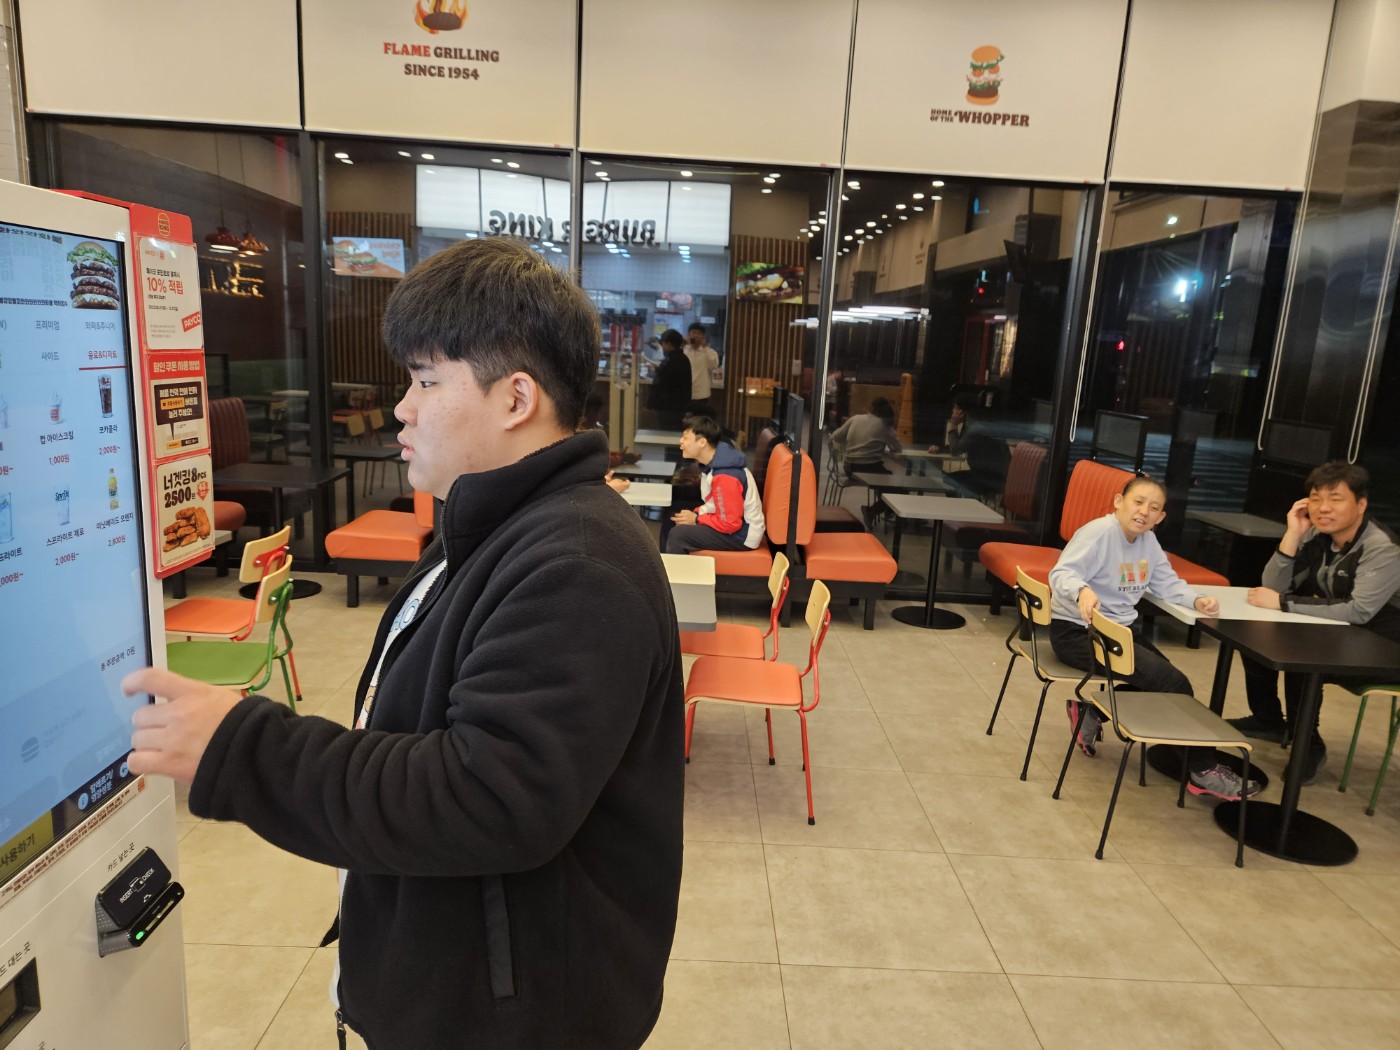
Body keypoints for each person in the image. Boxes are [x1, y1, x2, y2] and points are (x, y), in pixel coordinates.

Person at [122, 239, 684, 1050]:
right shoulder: (490, 526)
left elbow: (487, 797)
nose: (402, 409)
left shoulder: (578, 566)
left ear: (516, 397)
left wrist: (240, 749)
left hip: (514, 1020)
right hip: (453, 979)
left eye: (426, 381)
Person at [1050, 474, 1259, 801]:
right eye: (1138, 502)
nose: (1144, 511)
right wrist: (1082, 591)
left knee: (1163, 680)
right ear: (1119, 502)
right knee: (1174, 684)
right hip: (1078, 632)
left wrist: (1195, 600)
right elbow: (1061, 573)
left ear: (1160, 517)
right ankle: (1203, 771)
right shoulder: (1098, 533)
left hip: (1118, 633)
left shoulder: (1148, 541)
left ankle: (1091, 713)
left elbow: (1166, 582)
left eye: (1154, 507)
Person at [1231, 461, 1400, 783]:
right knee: (1254, 634)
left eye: (1335, 499)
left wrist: (1283, 603)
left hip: (1388, 649)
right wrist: (1293, 534)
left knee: (1303, 660)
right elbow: (1272, 586)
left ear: (1361, 505)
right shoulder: (1316, 535)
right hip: (1349, 637)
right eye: (1315, 498)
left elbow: (1358, 611)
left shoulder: (1382, 548)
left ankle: (1308, 745)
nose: (1323, 508)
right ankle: (1268, 719)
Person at [663, 414, 765, 555]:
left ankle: (676, 570)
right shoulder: (715, 464)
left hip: (742, 535)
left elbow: (730, 524)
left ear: (702, 442)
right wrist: (696, 514)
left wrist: (697, 519)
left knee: (678, 535)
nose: (681, 441)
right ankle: (663, 567)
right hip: (733, 526)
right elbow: (715, 505)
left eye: (685, 438)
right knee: (672, 518)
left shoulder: (725, 476)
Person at [830, 396, 902, 474]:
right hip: (869, 468)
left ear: (871, 408)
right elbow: (897, 448)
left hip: (848, 467)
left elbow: (835, 436)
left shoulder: (855, 418)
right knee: (890, 477)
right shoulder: (885, 425)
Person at [647, 327, 692, 429]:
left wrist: (652, 402)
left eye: (663, 343)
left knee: (667, 431)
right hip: (680, 406)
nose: (662, 346)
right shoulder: (684, 359)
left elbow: (662, 382)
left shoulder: (670, 361)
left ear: (668, 344)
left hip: (668, 407)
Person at [684, 322, 720, 415]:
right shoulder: (683, 350)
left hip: (701, 394)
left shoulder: (710, 352)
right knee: (683, 419)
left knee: (699, 420)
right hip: (684, 392)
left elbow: (714, 365)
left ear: (703, 336)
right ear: (688, 335)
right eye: (693, 332)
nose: (696, 335)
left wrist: (705, 347)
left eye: (699, 333)